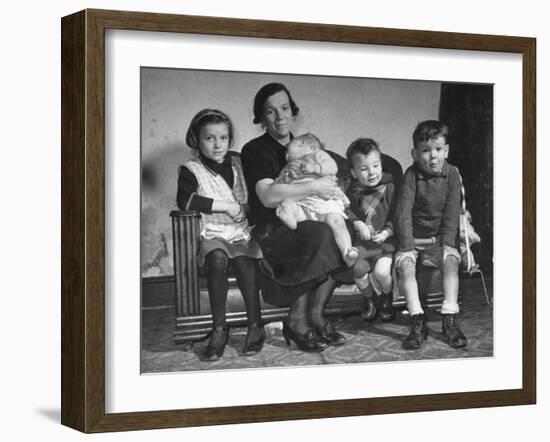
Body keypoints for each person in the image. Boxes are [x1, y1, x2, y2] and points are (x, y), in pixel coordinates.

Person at [241, 82, 347, 351]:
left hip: (310, 215)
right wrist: (313, 187)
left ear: (293, 110)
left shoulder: (307, 146)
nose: (280, 117)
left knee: (341, 230)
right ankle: (297, 320)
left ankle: (316, 314)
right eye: (270, 111)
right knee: (320, 233)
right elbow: (268, 197)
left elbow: (330, 177)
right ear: (261, 118)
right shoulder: (255, 150)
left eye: (285, 108)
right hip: (275, 224)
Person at [176, 108, 264, 361]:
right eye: (209, 138)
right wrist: (225, 206)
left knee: (245, 263)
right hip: (212, 232)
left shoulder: (239, 162)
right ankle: (218, 328)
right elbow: (186, 200)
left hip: (240, 232)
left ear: (230, 139)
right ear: (196, 139)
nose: (217, 145)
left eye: (223, 138)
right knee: (216, 259)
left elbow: (255, 198)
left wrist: (245, 209)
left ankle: (255, 325)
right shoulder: (190, 168)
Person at [395, 120, 467, 350]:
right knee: (406, 266)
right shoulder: (411, 175)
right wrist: (406, 247)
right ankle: (417, 321)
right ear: (415, 153)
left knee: (452, 261)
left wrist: (448, 244)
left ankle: (449, 318)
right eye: (425, 151)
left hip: (437, 240)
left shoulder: (453, 174)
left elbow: (451, 212)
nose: (432, 156)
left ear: (446, 150)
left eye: (437, 149)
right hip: (413, 241)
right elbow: (403, 214)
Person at [275, 133, 358, 267]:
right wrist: (285, 180)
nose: (286, 155)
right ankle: (290, 219)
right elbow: (279, 185)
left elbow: (333, 168)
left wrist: (315, 168)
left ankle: (347, 252)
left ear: (306, 146)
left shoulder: (317, 155)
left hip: (323, 201)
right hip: (302, 203)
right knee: (287, 203)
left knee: (337, 221)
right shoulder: (288, 167)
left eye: (289, 149)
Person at [345, 138, 397, 322]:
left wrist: (387, 232)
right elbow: (346, 209)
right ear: (354, 172)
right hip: (364, 245)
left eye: (375, 165)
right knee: (357, 271)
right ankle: (370, 298)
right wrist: (357, 223)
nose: (372, 172)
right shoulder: (351, 190)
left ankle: (387, 296)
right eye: (364, 169)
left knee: (382, 273)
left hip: (384, 243)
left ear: (381, 165)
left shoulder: (390, 188)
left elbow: (397, 216)